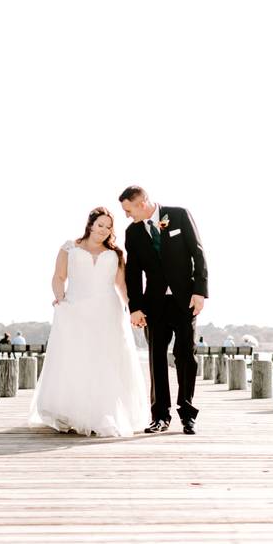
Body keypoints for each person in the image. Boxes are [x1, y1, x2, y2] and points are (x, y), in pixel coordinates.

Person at [28, 207, 147, 437]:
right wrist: (59, 298)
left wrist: (133, 310)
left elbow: (122, 285)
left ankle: (103, 413)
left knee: (105, 360)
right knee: (76, 359)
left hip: (108, 311)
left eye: (109, 227)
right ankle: (71, 412)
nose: (104, 230)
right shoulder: (69, 247)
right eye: (100, 225)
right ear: (90, 224)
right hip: (76, 309)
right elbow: (58, 276)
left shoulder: (116, 253)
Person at [120, 185, 208, 435]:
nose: (127, 215)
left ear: (142, 202)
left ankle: (187, 413)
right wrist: (135, 308)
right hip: (154, 305)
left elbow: (198, 254)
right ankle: (160, 416)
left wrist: (200, 291)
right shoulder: (133, 232)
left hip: (184, 301)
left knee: (186, 356)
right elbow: (133, 273)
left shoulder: (179, 215)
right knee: (156, 359)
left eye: (129, 210)